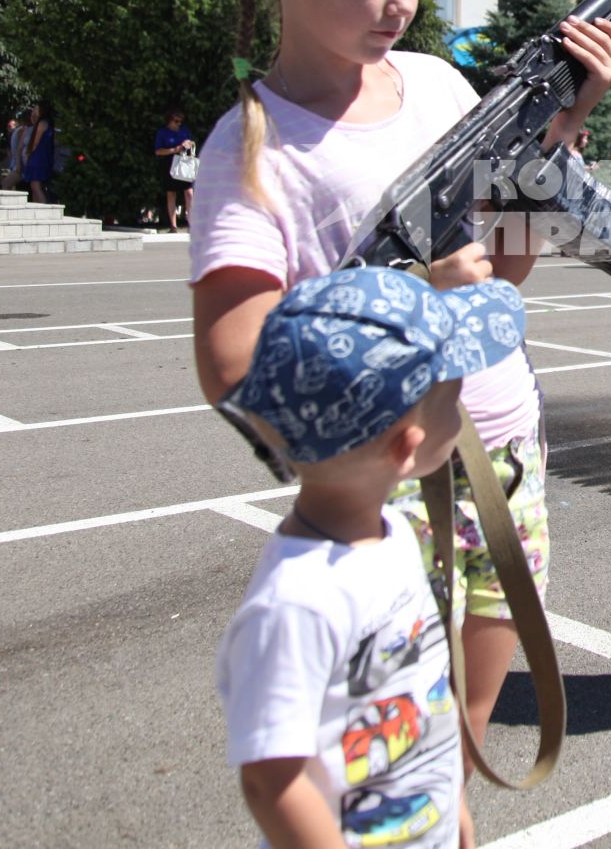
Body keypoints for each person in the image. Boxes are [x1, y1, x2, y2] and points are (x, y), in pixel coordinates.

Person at [189, 0, 611, 809]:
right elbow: (230, 360)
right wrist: (412, 294)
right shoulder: (256, 147)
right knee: (394, 747)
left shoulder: (435, 85)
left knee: (465, 735)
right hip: (386, 478)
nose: (401, 1)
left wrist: (555, 137)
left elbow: (501, 281)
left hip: (502, 443)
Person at [217, 268, 526, 849]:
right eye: (453, 400)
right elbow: (270, 782)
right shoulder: (298, 602)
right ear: (407, 447)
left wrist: (449, 800)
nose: (461, 416)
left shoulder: (396, 536)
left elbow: (422, 695)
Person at [154, 107, 197, 231]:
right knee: (171, 193)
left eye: (180, 121)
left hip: (184, 163)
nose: (179, 124)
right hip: (169, 163)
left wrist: (188, 144)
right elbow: (158, 151)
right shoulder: (163, 133)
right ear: (169, 121)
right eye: (176, 121)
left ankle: (192, 222)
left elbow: (190, 142)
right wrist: (175, 150)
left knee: (189, 192)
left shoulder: (184, 131)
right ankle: (173, 225)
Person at [21, 101, 56, 204]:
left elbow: (35, 142)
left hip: (38, 156)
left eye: (37, 109)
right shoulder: (48, 122)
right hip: (44, 155)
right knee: (36, 186)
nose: (35, 112)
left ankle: (43, 208)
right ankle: (37, 206)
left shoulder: (42, 123)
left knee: (35, 185)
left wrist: (28, 154)